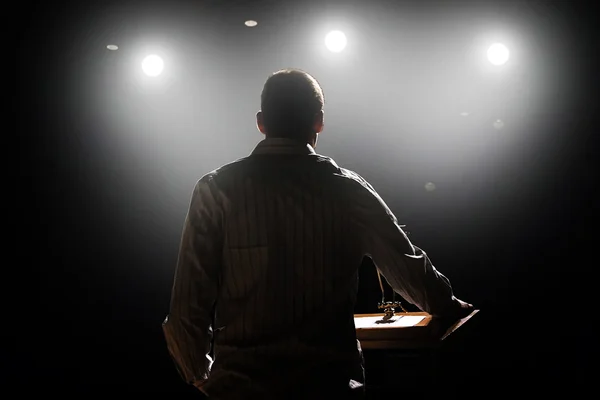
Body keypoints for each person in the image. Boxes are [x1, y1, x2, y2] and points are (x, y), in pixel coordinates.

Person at [162, 68, 474, 399]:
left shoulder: (214, 191)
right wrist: (450, 305)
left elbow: (185, 311)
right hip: (329, 391)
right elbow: (408, 269)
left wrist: (202, 377)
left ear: (261, 122)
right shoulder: (347, 190)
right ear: (319, 121)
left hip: (240, 393)